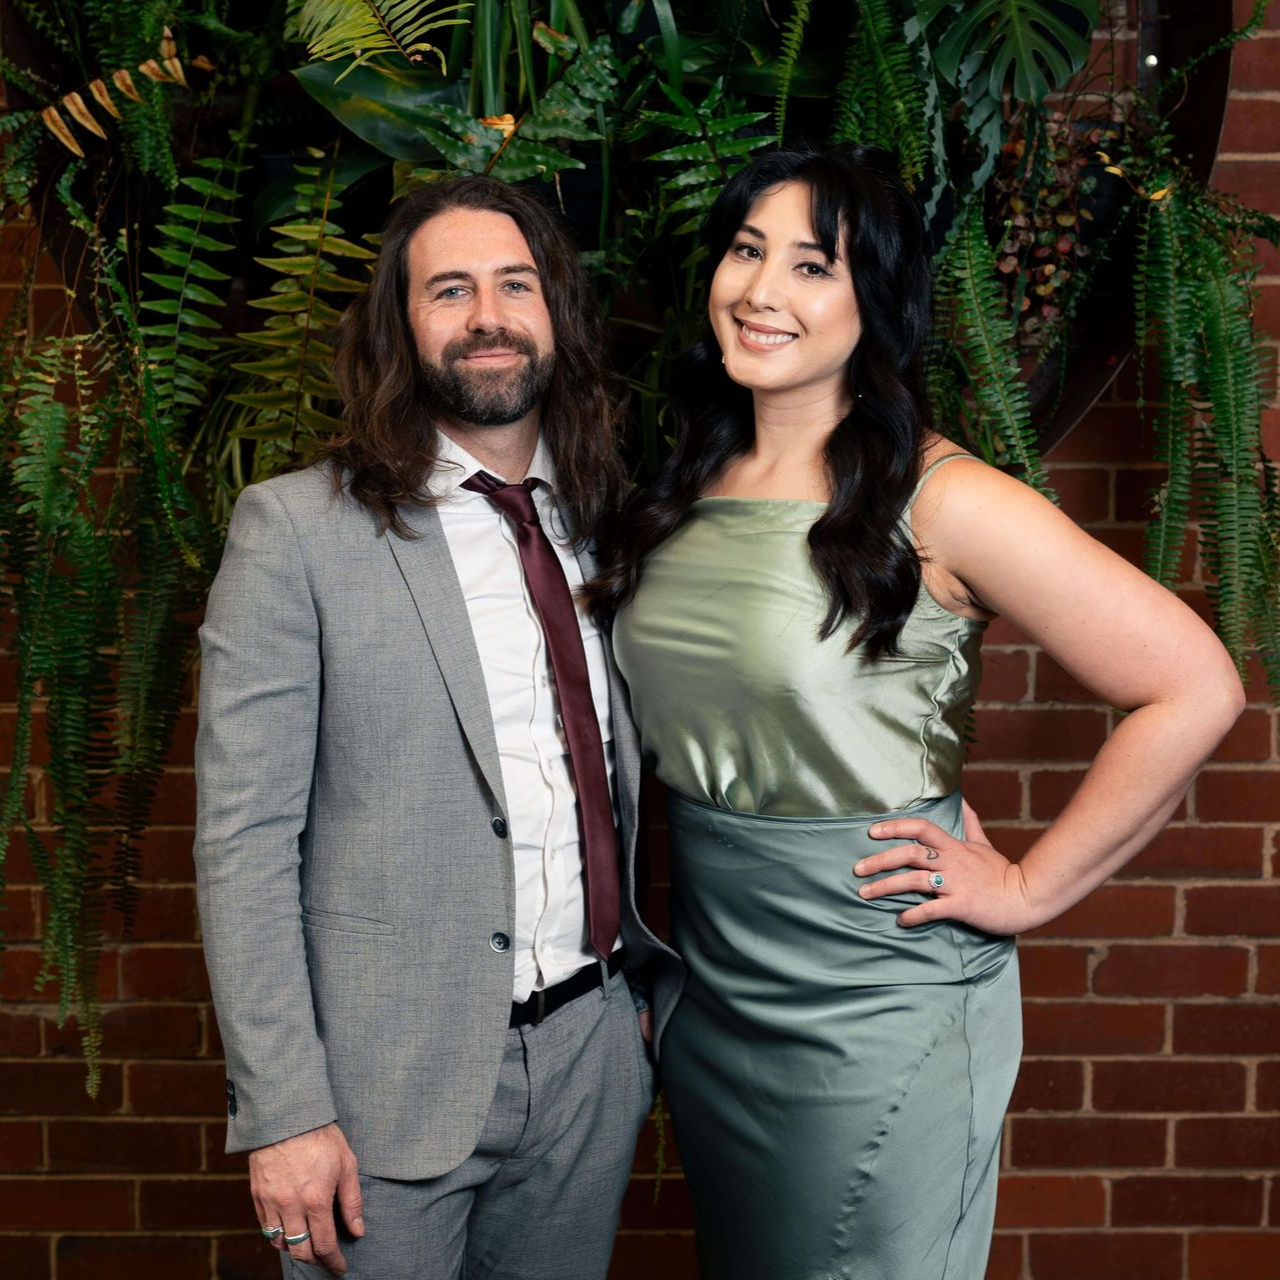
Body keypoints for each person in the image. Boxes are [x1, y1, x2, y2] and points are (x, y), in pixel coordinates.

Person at [593, 143, 1245, 1280]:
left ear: (873, 300)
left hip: (872, 997)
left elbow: (1194, 684)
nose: (760, 291)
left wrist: (1030, 886)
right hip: (715, 989)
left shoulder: (943, 497)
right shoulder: (685, 481)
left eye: (809, 266)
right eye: (745, 252)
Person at [193, 173, 681, 1280]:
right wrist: (282, 1110)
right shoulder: (295, 531)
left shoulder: (610, 520)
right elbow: (243, 842)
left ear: (553, 309)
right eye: (448, 290)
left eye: (514, 284)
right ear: (399, 326)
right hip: (379, 1087)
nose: (487, 316)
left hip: (593, 1060)